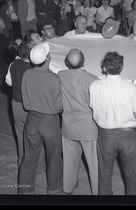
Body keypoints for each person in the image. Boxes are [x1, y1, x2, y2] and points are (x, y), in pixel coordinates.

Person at [89, 52, 136, 195]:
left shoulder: (94, 85)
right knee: (131, 174)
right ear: (121, 67)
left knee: (104, 174)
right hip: (129, 136)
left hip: (105, 135)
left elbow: (93, 106)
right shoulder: (131, 88)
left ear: (105, 68)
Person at [19, 43, 63, 195]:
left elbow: (25, 101)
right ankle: (54, 190)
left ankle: (24, 191)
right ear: (47, 58)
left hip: (31, 121)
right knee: (54, 159)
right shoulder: (54, 78)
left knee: (29, 158)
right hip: (49, 123)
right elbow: (58, 107)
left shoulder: (27, 74)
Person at [58, 49, 99, 195]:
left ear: (67, 62)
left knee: (69, 161)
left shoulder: (61, 75)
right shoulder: (92, 79)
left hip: (68, 126)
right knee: (94, 163)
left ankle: (68, 187)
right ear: (84, 61)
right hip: (88, 127)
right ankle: (97, 191)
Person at [5, 42, 46, 173]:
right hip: (32, 107)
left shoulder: (13, 64)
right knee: (36, 137)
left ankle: (24, 164)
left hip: (16, 105)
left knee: (21, 135)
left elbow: (9, 82)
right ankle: (39, 167)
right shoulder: (36, 69)